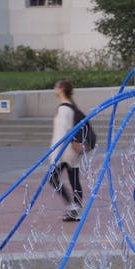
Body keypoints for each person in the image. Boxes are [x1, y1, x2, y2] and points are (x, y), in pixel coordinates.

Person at [49, 78, 85, 222]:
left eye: (56, 86)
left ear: (62, 89)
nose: (55, 88)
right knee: (74, 180)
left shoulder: (65, 110)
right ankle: (75, 208)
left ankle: (72, 206)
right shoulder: (68, 107)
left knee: (53, 178)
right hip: (68, 151)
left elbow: (65, 132)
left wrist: (57, 154)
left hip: (65, 152)